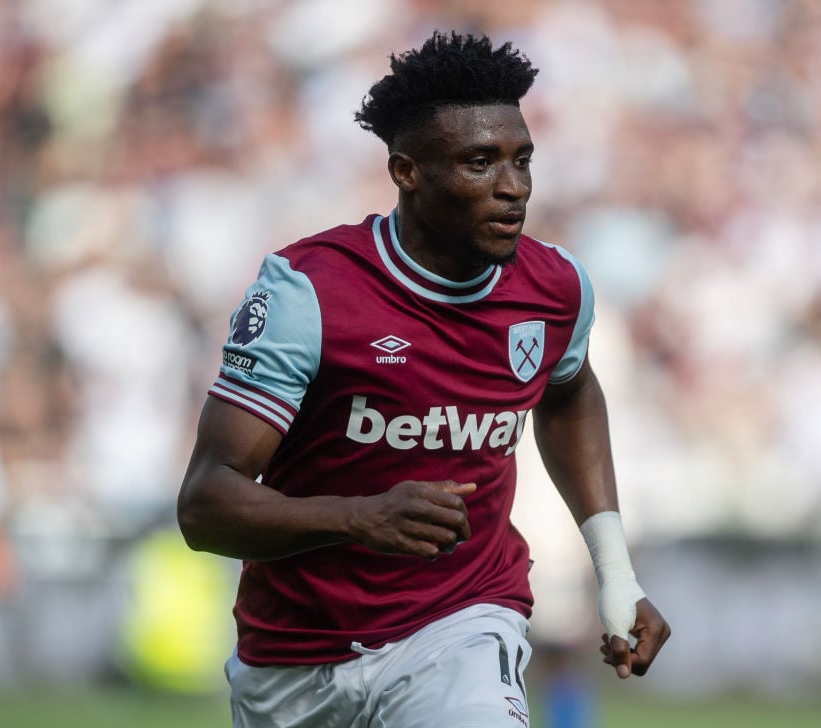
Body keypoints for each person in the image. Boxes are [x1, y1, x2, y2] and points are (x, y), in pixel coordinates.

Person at [177, 30, 670, 727]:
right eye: (479, 162)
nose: (513, 187)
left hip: (461, 626)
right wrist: (360, 515)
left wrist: (616, 572)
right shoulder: (309, 295)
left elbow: (569, 392)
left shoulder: (555, 290)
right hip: (296, 655)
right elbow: (204, 505)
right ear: (407, 171)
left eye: (522, 160)